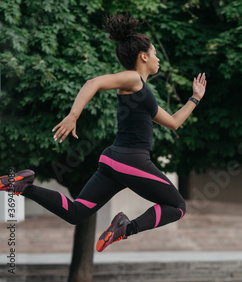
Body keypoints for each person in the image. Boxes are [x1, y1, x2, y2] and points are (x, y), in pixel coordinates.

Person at [0, 13, 206, 252]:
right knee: (178, 206)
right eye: (155, 53)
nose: (158, 58)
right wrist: (73, 115)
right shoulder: (133, 78)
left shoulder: (142, 91)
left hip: (114, 160)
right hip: (131, 159)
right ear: (143, 56)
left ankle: (24, 186)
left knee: (76, 213)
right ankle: (124, 227)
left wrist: (195, 98)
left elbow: (172, 122)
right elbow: (93, 83)